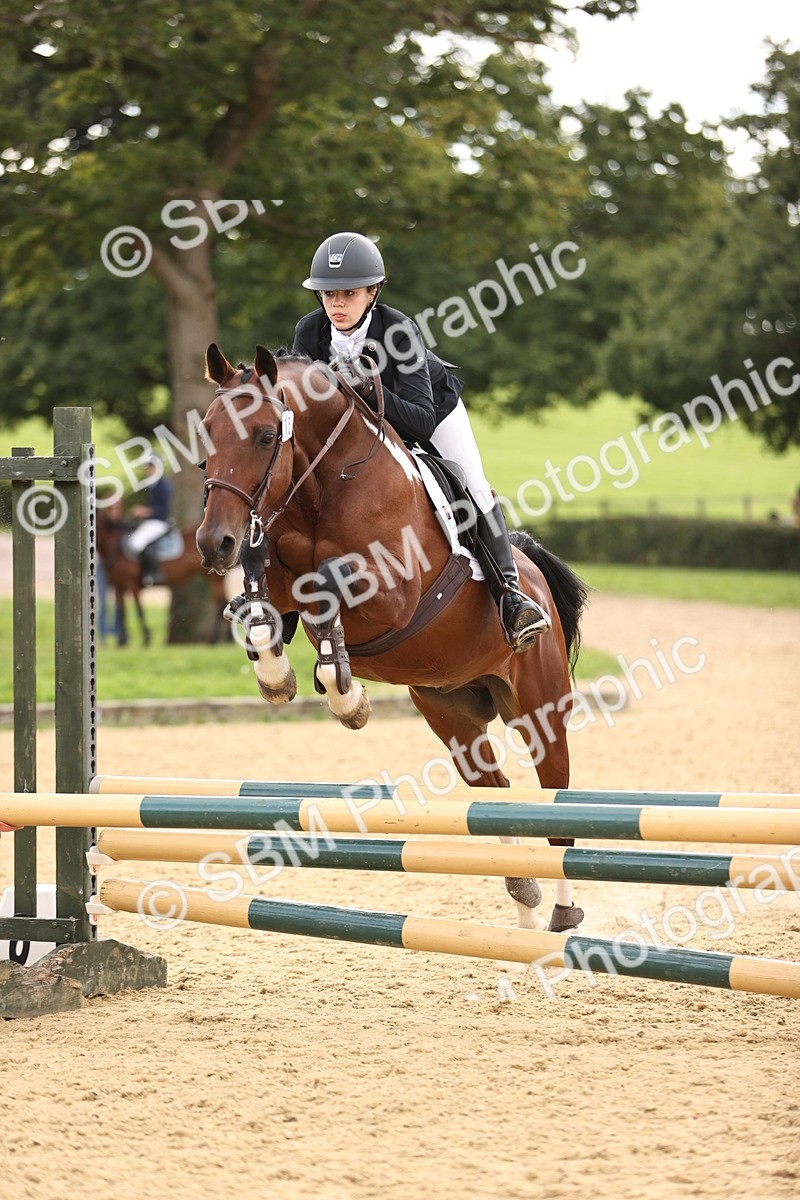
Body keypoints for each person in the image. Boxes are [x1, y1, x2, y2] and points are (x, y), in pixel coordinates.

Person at [292, 231, 551, 650]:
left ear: (373, 291)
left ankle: (511, 595)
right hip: (359, 431)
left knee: (471, 480)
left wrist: (366, 388)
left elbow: (421, 421)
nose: (336, 304)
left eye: (348, 293)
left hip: (432, 411)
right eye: (328, 294)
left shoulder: (399, 332)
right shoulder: (311, 332)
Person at [128, 456, 174, 587]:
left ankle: (151, 573)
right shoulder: (153, 484)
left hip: (160, 522)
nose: (148, 471)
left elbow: (164, 509)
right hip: (152, 521)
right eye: (147, 468)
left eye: (150, 468)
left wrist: (145, 511)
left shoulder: (163, 485)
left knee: (137, 542)